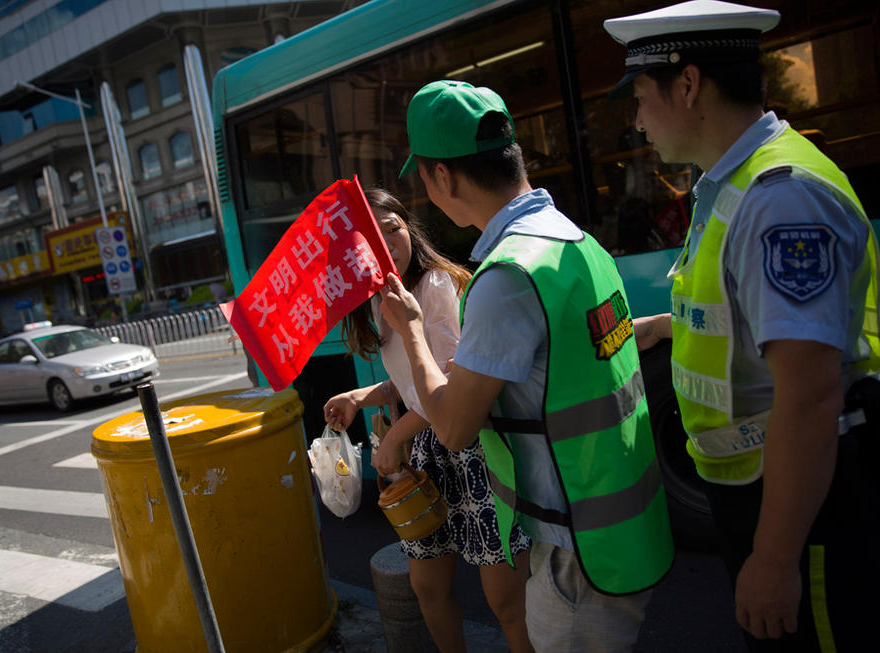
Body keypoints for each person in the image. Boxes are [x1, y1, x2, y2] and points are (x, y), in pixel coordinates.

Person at [603, 1, 880, 651]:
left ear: (690, 84)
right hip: (768, 491)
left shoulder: (779, 197)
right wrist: (668, 326)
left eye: (641, 96)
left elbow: (809, 396)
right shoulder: (732, 184)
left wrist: (776, 558)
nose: (637, 121)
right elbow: (751, 314)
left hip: (807, 502)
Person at [379, 80, 673, 652]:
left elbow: (454, 426)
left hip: (576, 553)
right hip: (625, 528)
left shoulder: (506, 275)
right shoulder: (576, 242)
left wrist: (412, 330)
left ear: (441, 176)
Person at [323, 187, 534, 653]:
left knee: (506, 600)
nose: (385, 243)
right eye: (369, 238)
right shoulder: (379, 300)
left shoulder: (433, 284)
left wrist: (393, 439)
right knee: (428, 587)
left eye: (392, 230)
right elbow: (417, 378)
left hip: (476, 448)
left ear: (409, 232)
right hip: (426, 455)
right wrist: (362, 395)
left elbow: (457, 378)